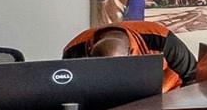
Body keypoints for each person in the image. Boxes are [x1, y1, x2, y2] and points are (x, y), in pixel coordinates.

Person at [62, 20, 198, 92]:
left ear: (131, 52)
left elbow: (193, 75)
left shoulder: (161, 39)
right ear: (90, 51)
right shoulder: (74, 51)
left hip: (168, 100)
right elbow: (69, 92)